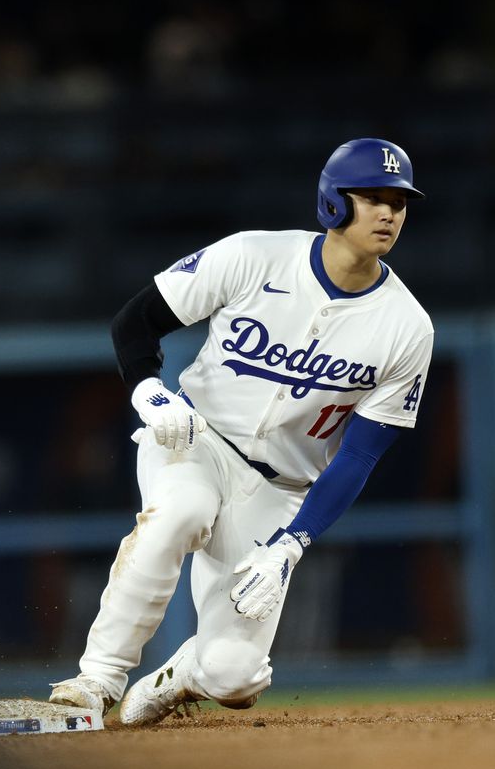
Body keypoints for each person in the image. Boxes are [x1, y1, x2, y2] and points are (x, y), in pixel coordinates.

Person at [48, 138, 434, 726]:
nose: (387, 213)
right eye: (371, 197)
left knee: (236, 676)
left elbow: (358, 456)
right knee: (178, 514)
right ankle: (96, 678)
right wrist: (147, 391)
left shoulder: (407, 326)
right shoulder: (255, 256)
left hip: (281, 490)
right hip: (193, 439)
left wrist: (292, 543)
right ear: (333, 203)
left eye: (399, 202)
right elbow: (136, 322)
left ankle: (179, 675)